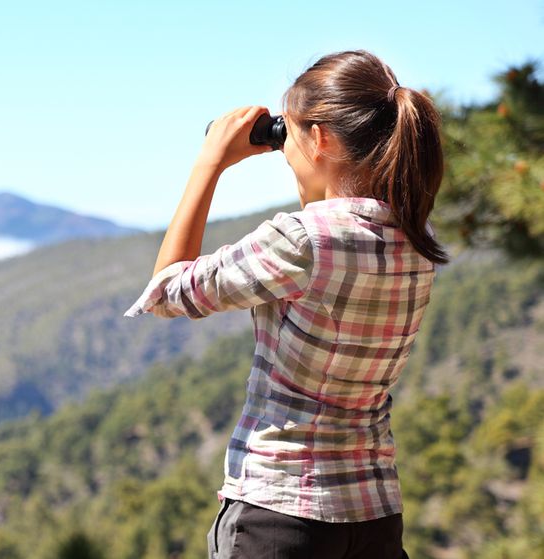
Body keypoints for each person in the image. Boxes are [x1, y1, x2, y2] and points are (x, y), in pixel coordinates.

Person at [123, 50, 447, 559]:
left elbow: (168, 292)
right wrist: (312, 172)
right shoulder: (416, 240)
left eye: (289, 134)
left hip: (280, 513)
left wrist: (210, 162)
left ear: (319, 139)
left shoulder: (300, 240)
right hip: (375, 514)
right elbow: (339, 237)